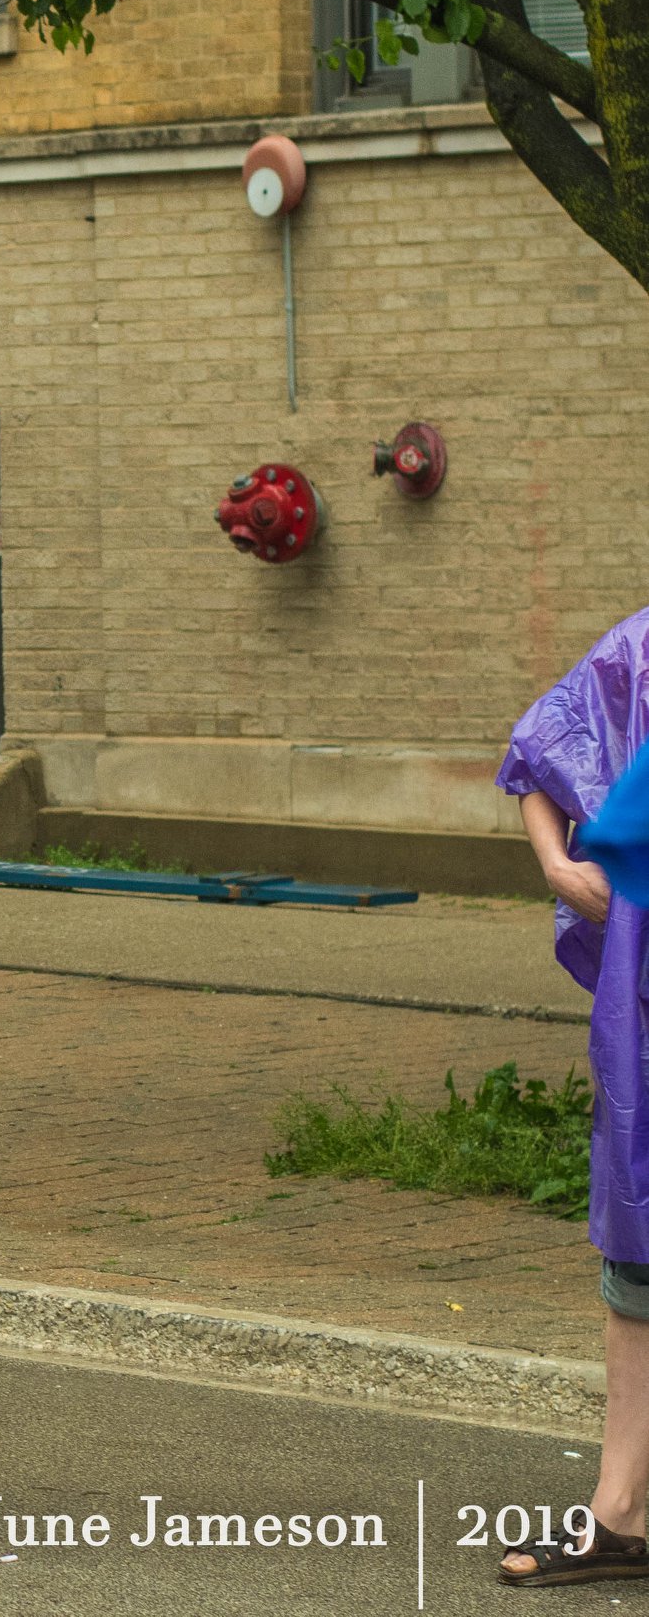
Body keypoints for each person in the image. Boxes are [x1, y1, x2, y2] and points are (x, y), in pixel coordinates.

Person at [497, 608, 649, 1587]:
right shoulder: (640, 653)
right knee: (637, 1264)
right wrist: (557, 864)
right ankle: (622, 1512)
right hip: (646, 999)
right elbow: (541, 749)